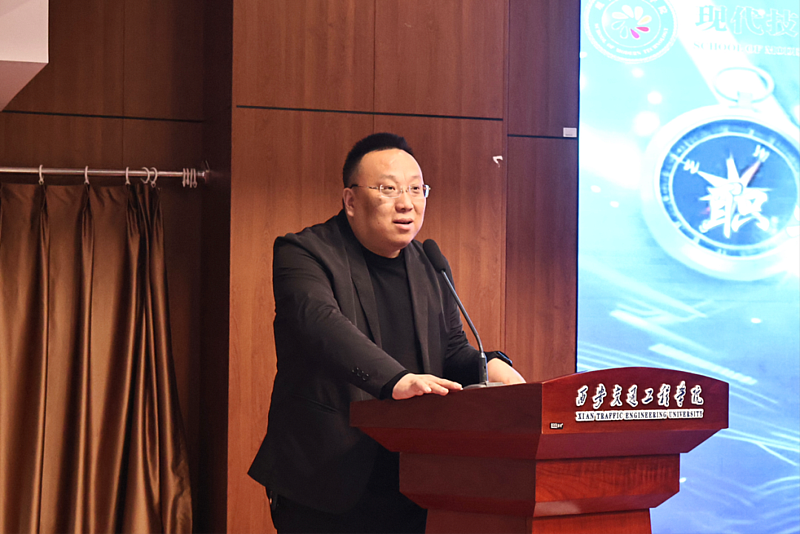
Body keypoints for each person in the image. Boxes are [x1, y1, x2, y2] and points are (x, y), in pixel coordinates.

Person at [248, 133, 525, 534]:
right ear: (350, 200)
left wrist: (491, 367)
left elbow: (451, 351)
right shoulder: (305, 253)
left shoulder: (429, 262)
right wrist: (396, 380)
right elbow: (320, 325)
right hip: (326, 481)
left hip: (413, 480)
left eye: (416, 189)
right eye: (389, 189)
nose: (406, 203)